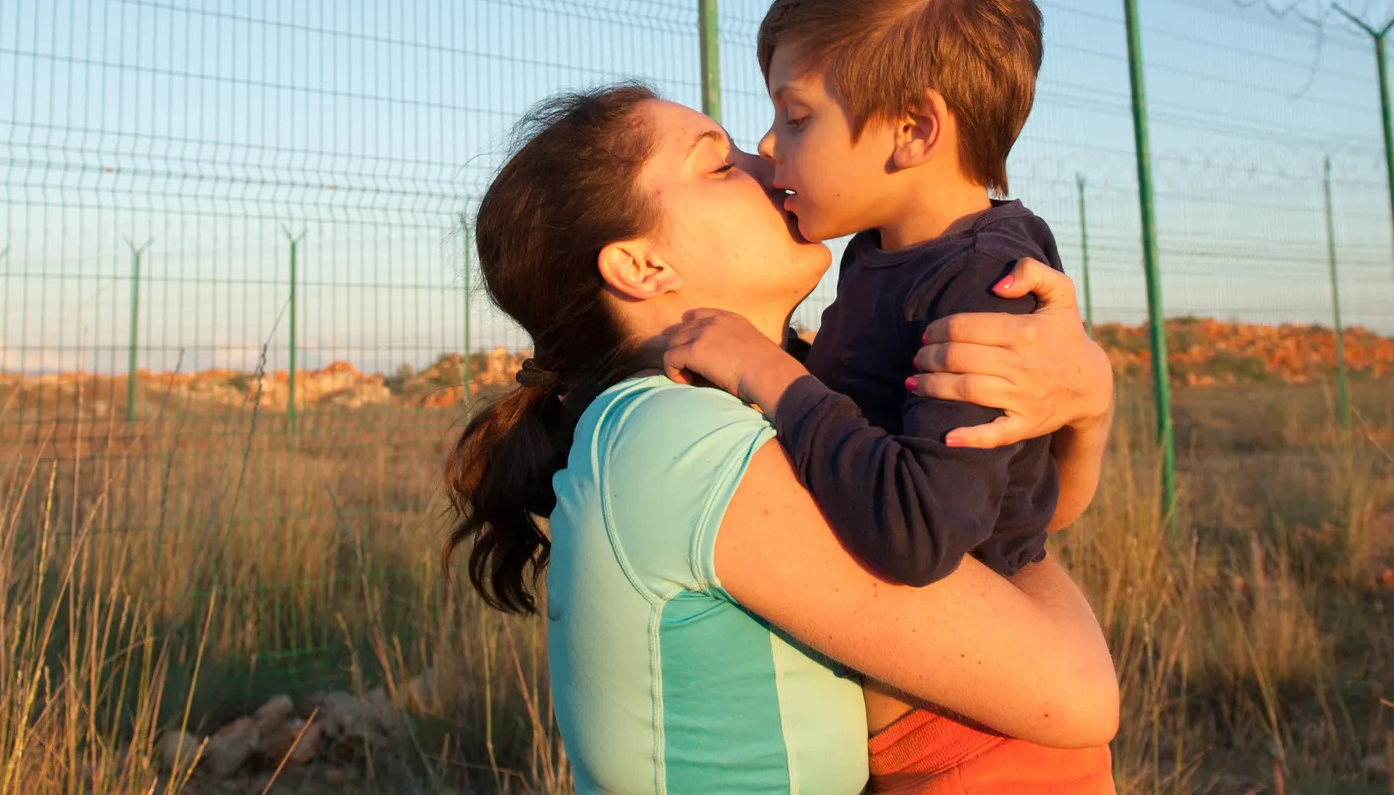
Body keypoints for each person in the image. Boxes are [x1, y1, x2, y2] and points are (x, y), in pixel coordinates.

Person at [447, 85, 1117, 794]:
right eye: (719, 164)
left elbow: (997, 531)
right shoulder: (683, 441)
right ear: (642, 267)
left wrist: (1085, 405)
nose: (768, 156)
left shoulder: (708, 417)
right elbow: (1078, 692)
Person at [665, 0, 1113, 790]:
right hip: (940, 714)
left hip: (988, 750)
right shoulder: (887, 252)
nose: (768, 142)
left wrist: (771, 373)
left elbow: (921, 532)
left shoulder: (989, 287)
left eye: (797, 116)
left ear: (913, 129)